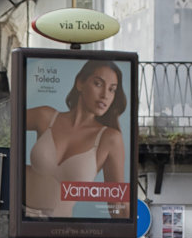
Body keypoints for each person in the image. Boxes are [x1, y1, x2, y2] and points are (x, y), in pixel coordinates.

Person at [23, 59, 127, 219]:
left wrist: (129, 232)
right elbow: (2, 122)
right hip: (15, 215)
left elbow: (118, 203)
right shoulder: (45, 117)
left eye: (112, 90)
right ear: (80, 83)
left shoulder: (110, 139)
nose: (105, 95)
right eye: (98, 84)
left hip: (59, 230)